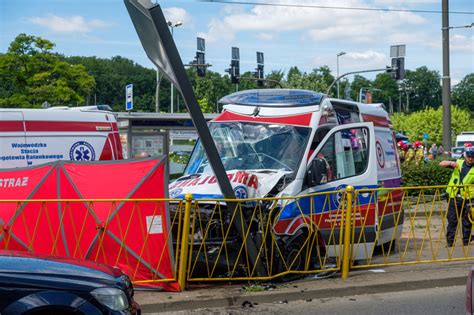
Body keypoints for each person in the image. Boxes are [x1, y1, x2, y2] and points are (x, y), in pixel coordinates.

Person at [439, 146, 474, 247]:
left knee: (467, 221)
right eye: (469, 156)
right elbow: (441, 163)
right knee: (452, 220)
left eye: (472, 156)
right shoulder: (459, 162)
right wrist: (451, 163)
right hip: (453, 196)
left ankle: (466, 242)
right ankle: (450, 243)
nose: (471, 159)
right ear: (465, 156)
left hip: (468, 199)